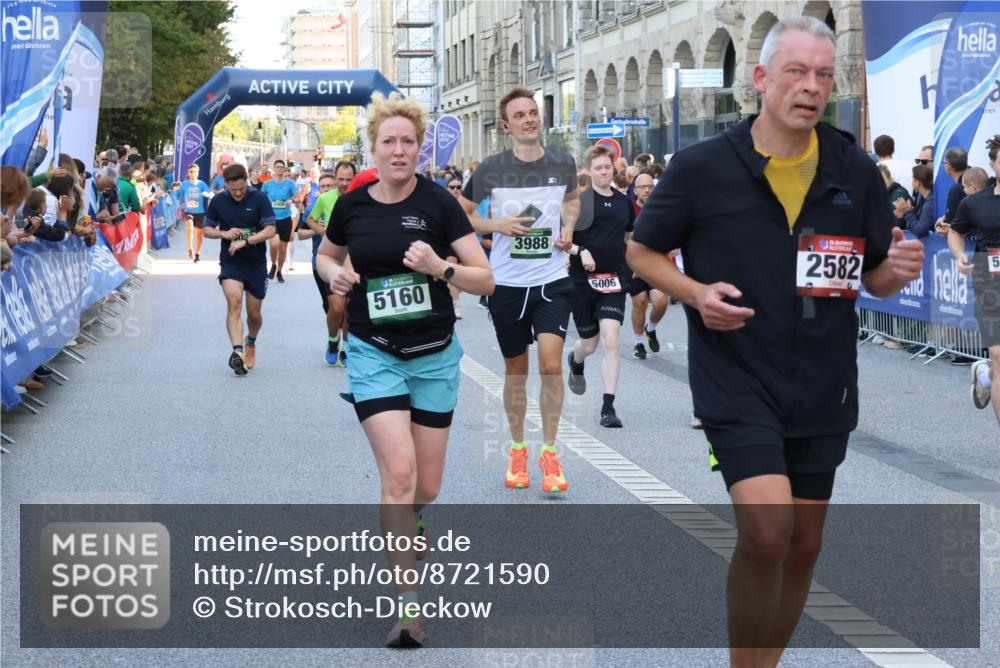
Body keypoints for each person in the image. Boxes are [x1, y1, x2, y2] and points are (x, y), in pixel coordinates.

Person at [626, 17, 924, 666]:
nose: (811, 86)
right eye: (796, 71)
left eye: (824, 75)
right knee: (767, 532)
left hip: (823, 380)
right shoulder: (703, 168)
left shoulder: (853, 169)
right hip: (736, 374)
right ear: (761, 79)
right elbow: (641, 252)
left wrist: (896, 272)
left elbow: (873, 274)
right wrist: (695, 293)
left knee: (803, 546)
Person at [315, 92, 493, 647]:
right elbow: (325, 254)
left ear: (420, 149)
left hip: (435, 354)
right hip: (374, 351)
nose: (398, 150)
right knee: (398, 474)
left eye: (408, 142)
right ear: (374, 147)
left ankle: (412, 517)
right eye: (389, 141)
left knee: (426, 487)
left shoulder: (440, 204)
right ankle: (409, 609)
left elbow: (485, 279)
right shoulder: (352, 205)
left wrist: (441, 267)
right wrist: (333, 276)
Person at [459, 86, 580, 494]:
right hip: (507, 283)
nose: (529, 119)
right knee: (516, 369)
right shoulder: (491, 169)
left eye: (533, 112)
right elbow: (460, 216)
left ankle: (550, 451)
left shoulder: (562, 163)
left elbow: (572, 202)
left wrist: (568, 228)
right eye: (520, 115)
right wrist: (498, 226)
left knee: (551, 364)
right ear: (506, 125)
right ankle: (517, 449)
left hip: (552, 279)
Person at [565, 145, 634, 428]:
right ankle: (575, 360)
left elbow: (629, 239)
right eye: (599, 168)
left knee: (611, 339)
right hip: (583, 283)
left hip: (614, 280)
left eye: (607, 167)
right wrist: (581, 251)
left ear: (613, 168)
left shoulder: (624, 203)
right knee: (590, 344)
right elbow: (563, 241)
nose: (604, 172)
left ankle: (608, 407)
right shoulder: (579, 203)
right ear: (589, 171)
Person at [202, 163, 277, 375]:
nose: (237, 193)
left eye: (241, 189)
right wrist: (223, 234)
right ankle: (238, 352)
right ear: (225, 184)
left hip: (255, 263)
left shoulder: (259, 198)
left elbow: (271, 230)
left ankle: (250, 341)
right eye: (233, 189)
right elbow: (206, 229)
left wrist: (246, 241)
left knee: (254, 315)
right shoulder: (218, 200)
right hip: (231, 261)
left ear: (246, 181)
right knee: (234, 302)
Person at [949, 135, 1000, 424]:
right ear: (993, 165)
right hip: (991, 284)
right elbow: (956, 231)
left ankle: (986, 376)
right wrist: (960, 255)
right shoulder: (974, 202)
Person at [627, 170, 669, 360]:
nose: (647, 190)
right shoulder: (628, 210)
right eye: (643, 187)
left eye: (650, 187)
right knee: (640, 302)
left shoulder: (661, 209)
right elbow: (624, 238)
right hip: (633, 266)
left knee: (661, 302)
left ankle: (650, 329)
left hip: (655, 264)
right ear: (635, 190)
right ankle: (639, 343)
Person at [261, 159, 298, 283]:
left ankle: (279, 271)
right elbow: (260, 198)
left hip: (285, 219)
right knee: (274, 244)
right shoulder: (267, 184)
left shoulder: (290, 183)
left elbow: (298, 197)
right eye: (277, 167)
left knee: (283, 249)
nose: (280, 169)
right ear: (274, 169)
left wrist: (291, 200)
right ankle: (273, 264)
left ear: (284, 169)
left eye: (282, 167)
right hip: (272, 219)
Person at [178, 164, 212, 261]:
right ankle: (190, 249)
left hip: (200, 212)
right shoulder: (184, 184)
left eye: (195, 172)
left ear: (198, 173)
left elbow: (210, 193)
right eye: (191, 172)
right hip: (188, 211)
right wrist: (175, 190)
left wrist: (208, 195)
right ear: (188, 173)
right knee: (189, 227)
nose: (193, 173)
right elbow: (177, 194)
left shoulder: (201, 183)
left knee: (199, 234)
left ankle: (197, 253)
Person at [445, 175, 466, 318]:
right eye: (452, 187)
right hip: (449, 242)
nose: (455, 189)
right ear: (448, 189)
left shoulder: (467, 204)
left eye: (458, 187)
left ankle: (447, 294)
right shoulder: (444, 202)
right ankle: (456, 307)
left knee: (464, 277)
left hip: (466, 242)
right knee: (452, 274)